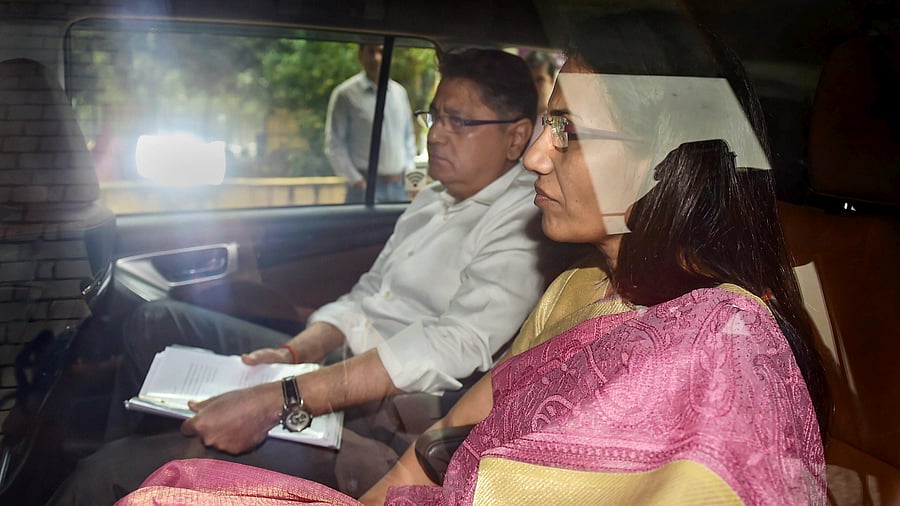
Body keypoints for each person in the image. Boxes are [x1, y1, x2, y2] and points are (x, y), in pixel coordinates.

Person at [116, 11, 829, 506]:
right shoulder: (580, 287)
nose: (538, 157)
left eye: (570, 133)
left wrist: (295, 396)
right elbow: (451, 435)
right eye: (550, 126)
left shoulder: (722, 348)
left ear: (668, 158)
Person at [48, 48, 550, 505]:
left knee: (105, 475)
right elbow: (366, 297)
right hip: (333, 371)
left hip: (387, 414)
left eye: (458, 121)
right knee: (151, 322)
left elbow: (453, 344)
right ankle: (145, 448)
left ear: (515, 137)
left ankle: (128, 469)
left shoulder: (523, 219)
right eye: (434, 116)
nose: (435, 134)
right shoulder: (434, 200)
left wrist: (282, 396)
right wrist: (294, 354)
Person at [325, 44, 416, 203]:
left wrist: (412, 180)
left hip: (398, 187)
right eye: (371, 52)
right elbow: (335, 144)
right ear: (360, 56)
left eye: (382, 51)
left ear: (391, 57)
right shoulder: (345, 95)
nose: (376, 58)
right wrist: (356, 181)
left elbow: (408, 139)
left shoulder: (399, 93)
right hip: (364, 188)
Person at [524, 51, 558, 145]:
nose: (533, 86)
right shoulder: (515, 119)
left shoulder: (559, 124)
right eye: (529, 80)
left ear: (552, 81)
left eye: (540, 80)